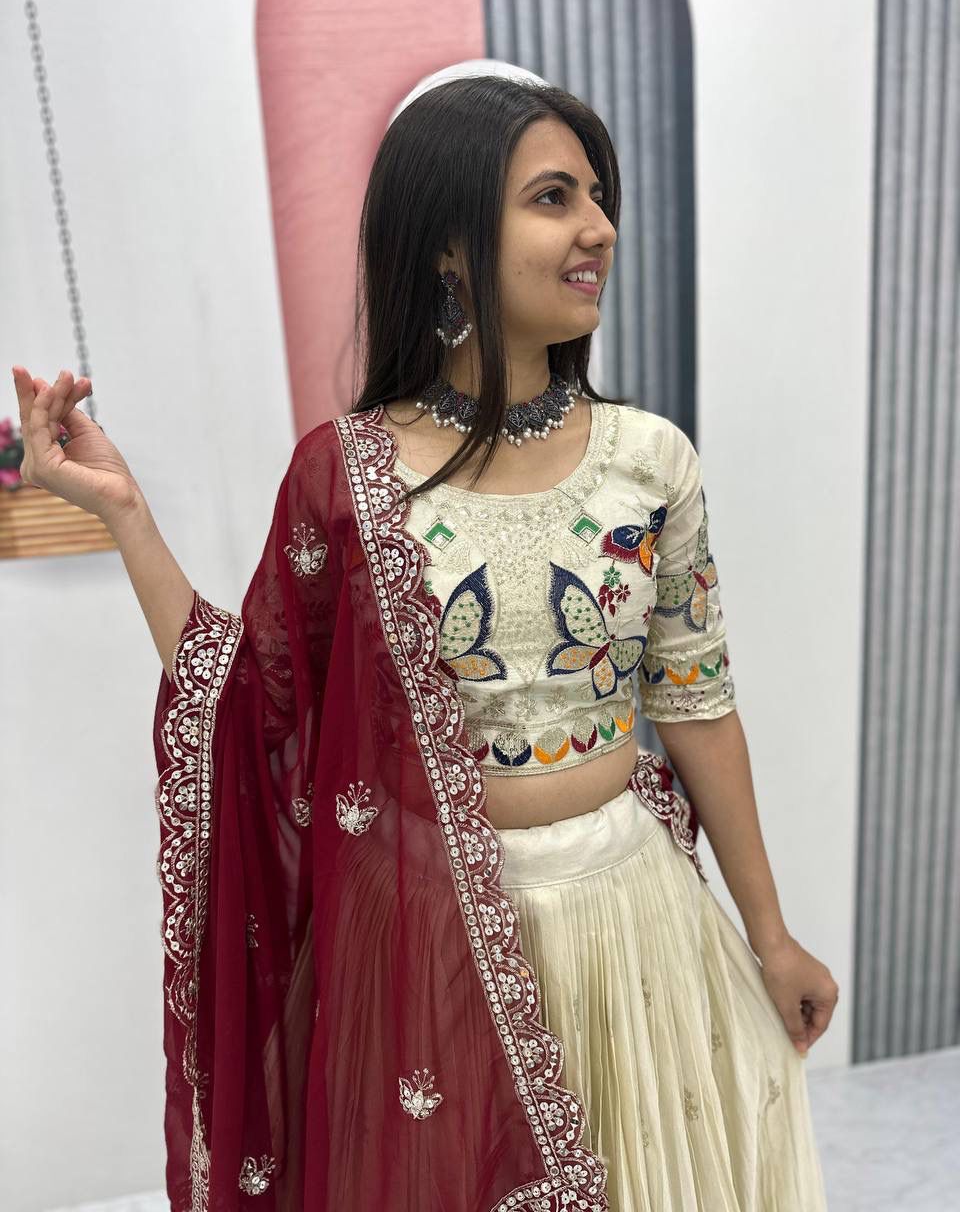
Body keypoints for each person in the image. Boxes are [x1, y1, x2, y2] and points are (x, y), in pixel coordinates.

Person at [12, 72, 837, 1211]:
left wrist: (771, 934)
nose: (599, 226)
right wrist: (126, 516)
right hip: (431, 950)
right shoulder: (346, 473)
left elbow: (696, 703)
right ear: (450, 243)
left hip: (634, 920)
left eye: (598, 194)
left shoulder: (651, 460)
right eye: (553, 197)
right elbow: (254, 702)